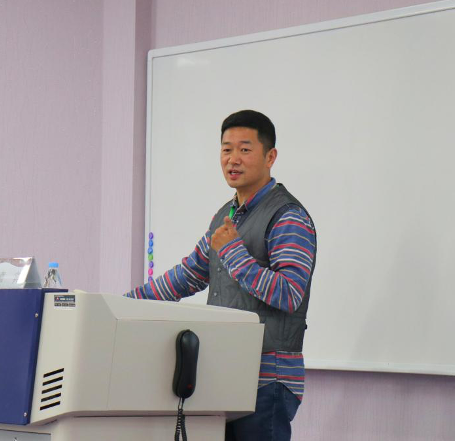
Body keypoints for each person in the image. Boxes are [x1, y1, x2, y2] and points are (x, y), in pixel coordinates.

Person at [125, 110, 317, 441]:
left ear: (270, 157)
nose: (233, 159)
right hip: (225, 374)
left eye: (245, 149)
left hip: (267, 381)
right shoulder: (225, 216)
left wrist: (233, 253)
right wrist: (124, 303)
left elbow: (289, 293)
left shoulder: (288, 216)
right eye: (226, 149)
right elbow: (189, 275)